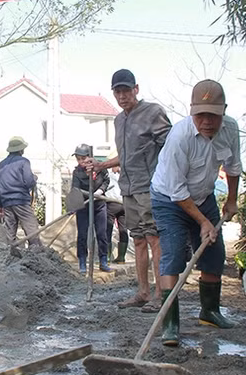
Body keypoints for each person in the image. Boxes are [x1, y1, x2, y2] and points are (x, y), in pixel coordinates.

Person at [150, 79, 241, 346]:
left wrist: (232, 200)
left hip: (204, 196)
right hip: (169, 199)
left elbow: (233, 166)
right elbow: (177, 191)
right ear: (192, 111)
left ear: (223, 111)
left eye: (213, 115)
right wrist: (203, 222)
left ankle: (210, 311)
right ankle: (170, 324)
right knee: (174, 253)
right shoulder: (180, 137)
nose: (207, 121)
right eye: (201, 115)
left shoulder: (230, 129)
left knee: (215, 253)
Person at [89, 69, 171, 309]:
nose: (122, 96)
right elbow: (126, 156)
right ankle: (143, 292)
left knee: (154, 238)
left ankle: (160, 294)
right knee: (137, 240)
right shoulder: (119, 120)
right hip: (129, 188)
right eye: (118, 91)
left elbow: (169, 148)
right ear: (113, 93)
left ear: (136, 88)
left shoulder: (153, 112)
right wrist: (102, 164)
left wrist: (165, 181)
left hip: (151, 187)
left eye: (126, 90)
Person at [0, 136, 42, 256]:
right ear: (21, 150)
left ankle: (11, 254)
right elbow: (29, 181)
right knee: (31, 227)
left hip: (6, 201)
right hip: (20, 200)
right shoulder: (23, 162)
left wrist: (0, 204)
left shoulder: (1, 165)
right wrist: (34, 179)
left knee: (10, 230)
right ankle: (36, 254)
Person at [71, 144, 111, 273]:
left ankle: (103, 260)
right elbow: (75, 189)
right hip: (84, 206)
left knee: (101, 233)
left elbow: (106, 181)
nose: (81, 161)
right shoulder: (77, 172)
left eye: (83, 158)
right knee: (82, 234)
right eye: (78, 159)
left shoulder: (100, 168)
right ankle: (82, 262)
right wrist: (79, 200)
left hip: (99, 205)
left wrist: (100, 191)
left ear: (90, 157)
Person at [104, 156, 128, 264]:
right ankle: (121, 257)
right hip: (124, 203)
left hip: (112, 203)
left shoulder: (109, 175)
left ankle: (107, 257)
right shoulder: (126, 174)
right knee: (123, 229)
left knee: (108, 228)